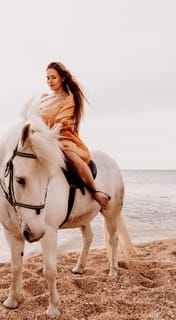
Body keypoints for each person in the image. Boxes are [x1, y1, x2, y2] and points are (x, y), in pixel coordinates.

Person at [37, 61, 110, 210]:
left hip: (61, 138)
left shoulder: (68, 99)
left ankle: (95, 191)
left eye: (53, 77)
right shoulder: (44, 98)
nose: (49, 81)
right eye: (47, 78)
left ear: (62, 78)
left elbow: (62, 122)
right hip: (42, 137)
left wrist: (49, 131)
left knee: (72, 157)